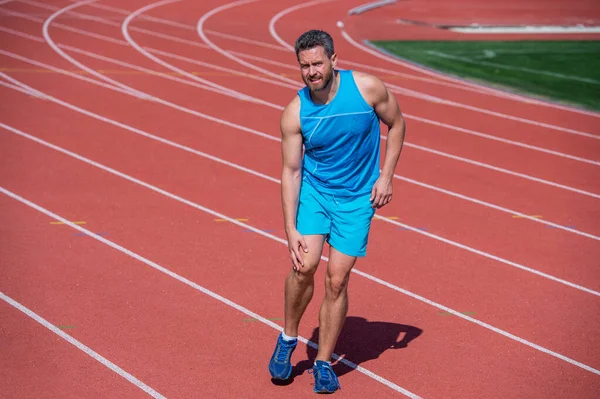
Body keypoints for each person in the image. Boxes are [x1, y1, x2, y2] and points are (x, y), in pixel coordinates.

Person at [268, 29, 406, 394]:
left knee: (337, 280)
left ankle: (323, 362)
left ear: (333, 60)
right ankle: (288, 338)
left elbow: (397, 124)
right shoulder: (295, 112)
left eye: (317, 63)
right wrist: (289, 229)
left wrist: (386, 177)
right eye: (304, 66)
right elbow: (291, 171)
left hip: (358, 200)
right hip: (315, 195)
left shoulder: (367, 89)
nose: (311, 72)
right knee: (305, 267)